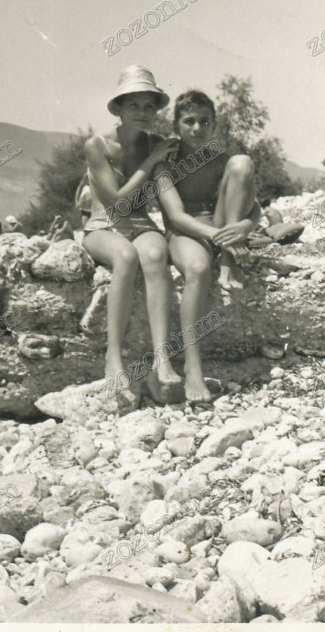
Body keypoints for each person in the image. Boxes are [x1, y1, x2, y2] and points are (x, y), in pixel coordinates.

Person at [156, 90, 261, 403]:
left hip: (221, 229)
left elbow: (253, 207)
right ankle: (193, 365)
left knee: (243, 162)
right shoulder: (165, 164)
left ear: (214, 125)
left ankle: (229, 259)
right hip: (186, 232)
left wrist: (246, 225)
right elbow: (175, 216)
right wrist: (218, 236)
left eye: (205, 121)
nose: (197, 128)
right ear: (176, 125)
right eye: (189, 121)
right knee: (199, 269)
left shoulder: (221, 161)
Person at [82, 65, 181, 392]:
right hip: (104, 225)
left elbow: (167, 198)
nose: (143, 112)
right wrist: (151, 161)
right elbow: (118, 202)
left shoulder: (156, 143)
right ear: (120, 109)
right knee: (125, 256)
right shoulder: (96, 145)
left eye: (149, 106)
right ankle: (113, 356)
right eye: (134, 105)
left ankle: (162, 356)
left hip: (142, 224)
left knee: (155, 254)